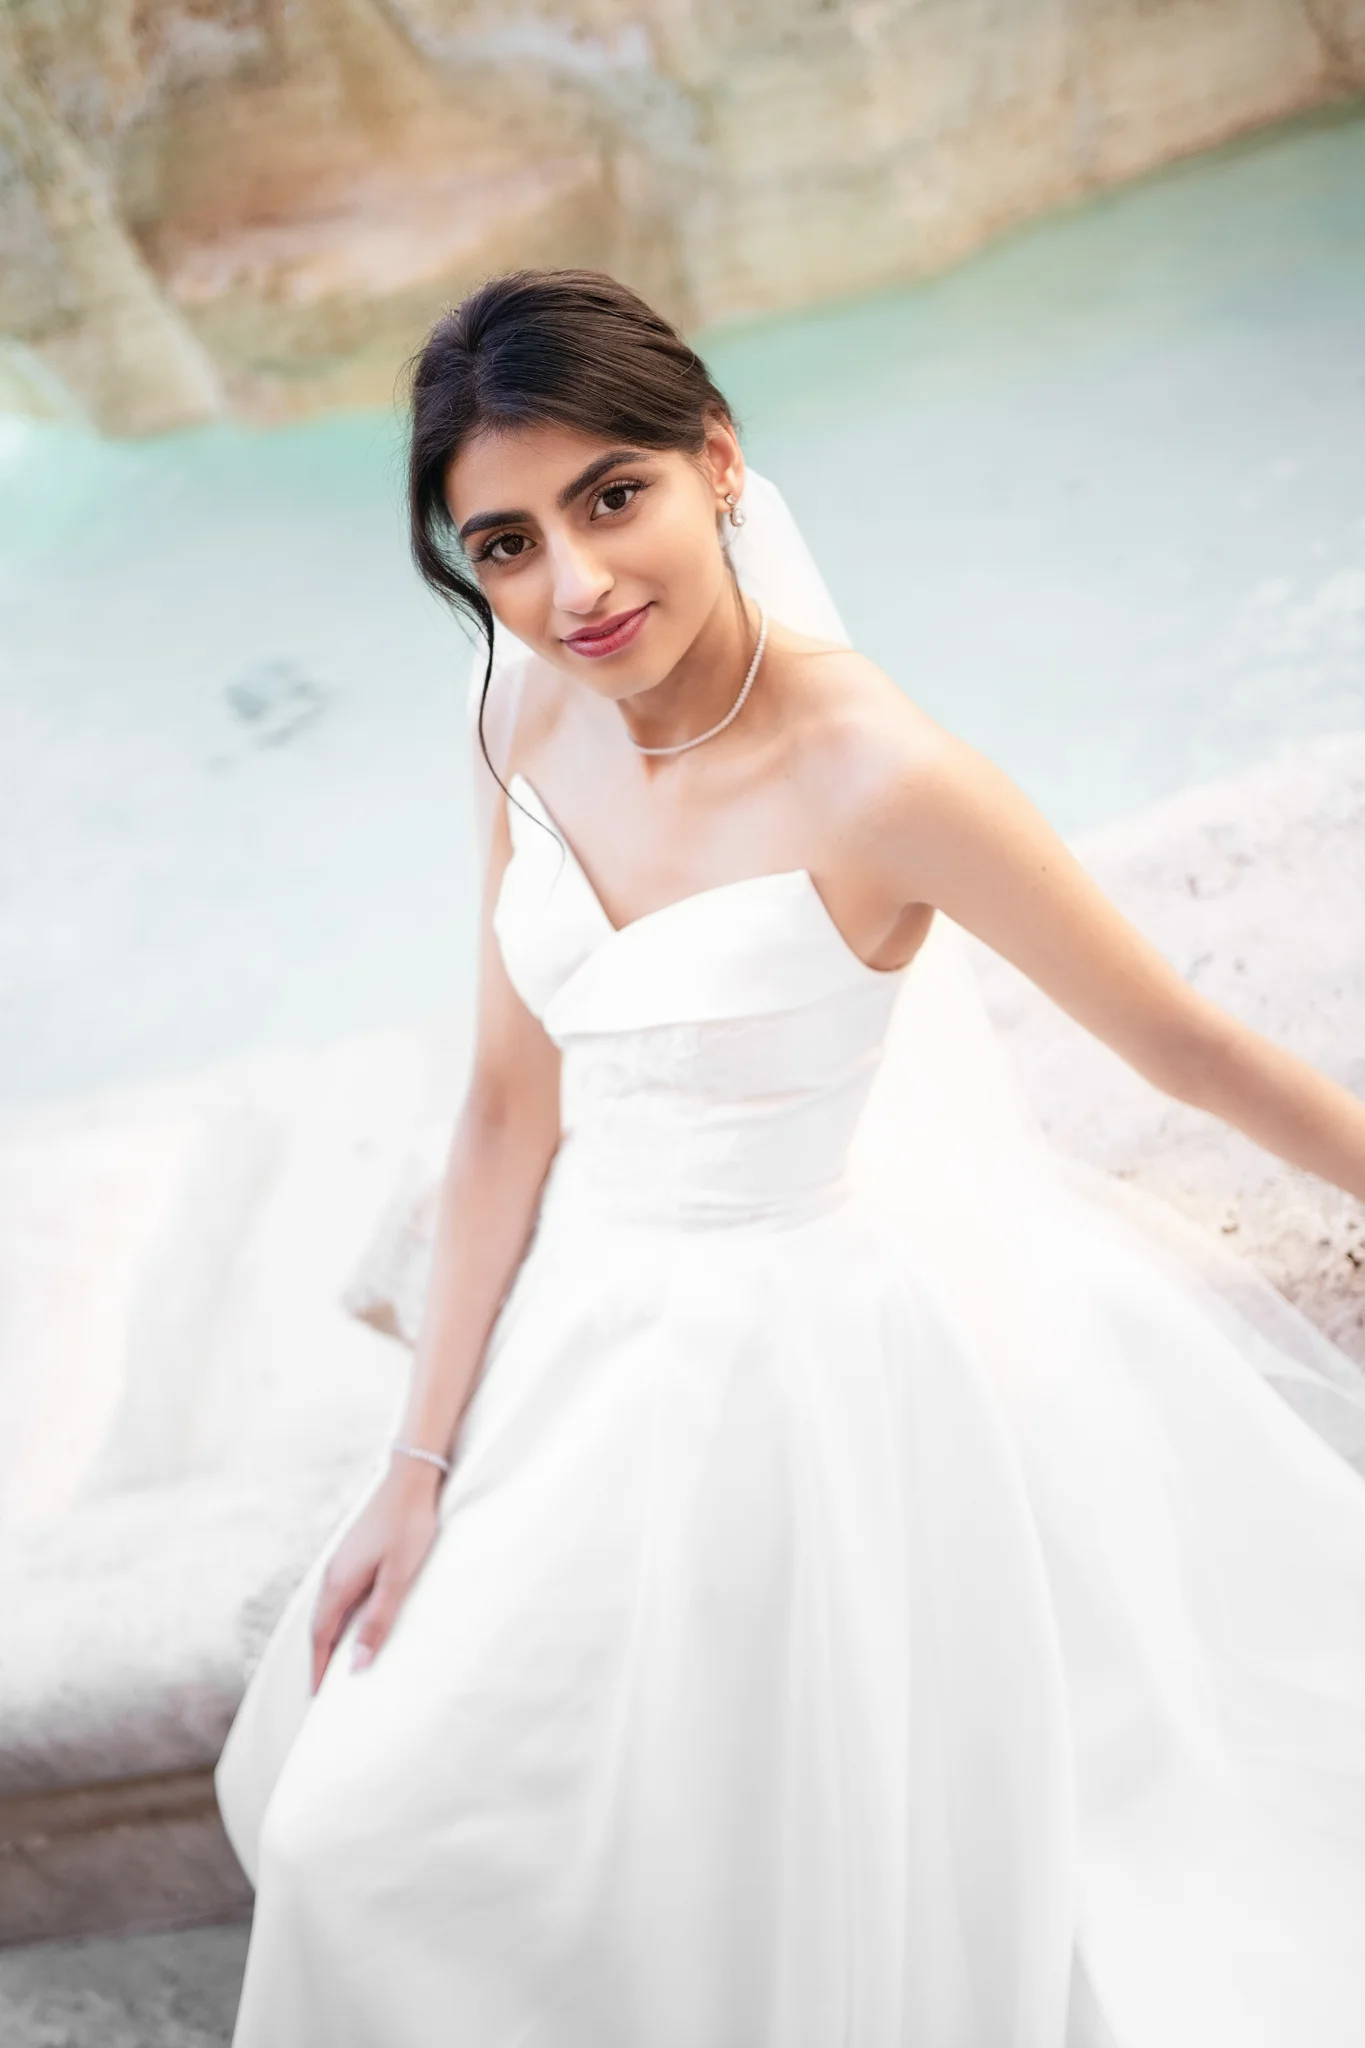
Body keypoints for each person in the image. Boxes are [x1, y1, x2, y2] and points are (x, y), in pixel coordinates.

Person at [215, 269, 1365, 2048]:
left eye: (615, 497)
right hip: (578, 1345)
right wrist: (419, 1457)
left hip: (796, 1379)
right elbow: (508, 1106)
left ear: (719, 463)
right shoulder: (512, 713)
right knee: (359, 1827)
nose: (574, 587)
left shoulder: (882, 778)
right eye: (504, 543)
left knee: (757, 1877)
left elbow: (1189, 1048)